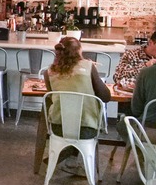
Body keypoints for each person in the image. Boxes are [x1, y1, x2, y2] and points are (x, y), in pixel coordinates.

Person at [43, 37, 111, 175]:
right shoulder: (88, 67)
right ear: (78, 51)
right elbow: (106, 97)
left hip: (58, 127)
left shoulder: (49, 72)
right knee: (80, 124)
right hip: (87, 129)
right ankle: (77, 160)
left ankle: (67, 158)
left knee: (71, 121)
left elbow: (51, 97)